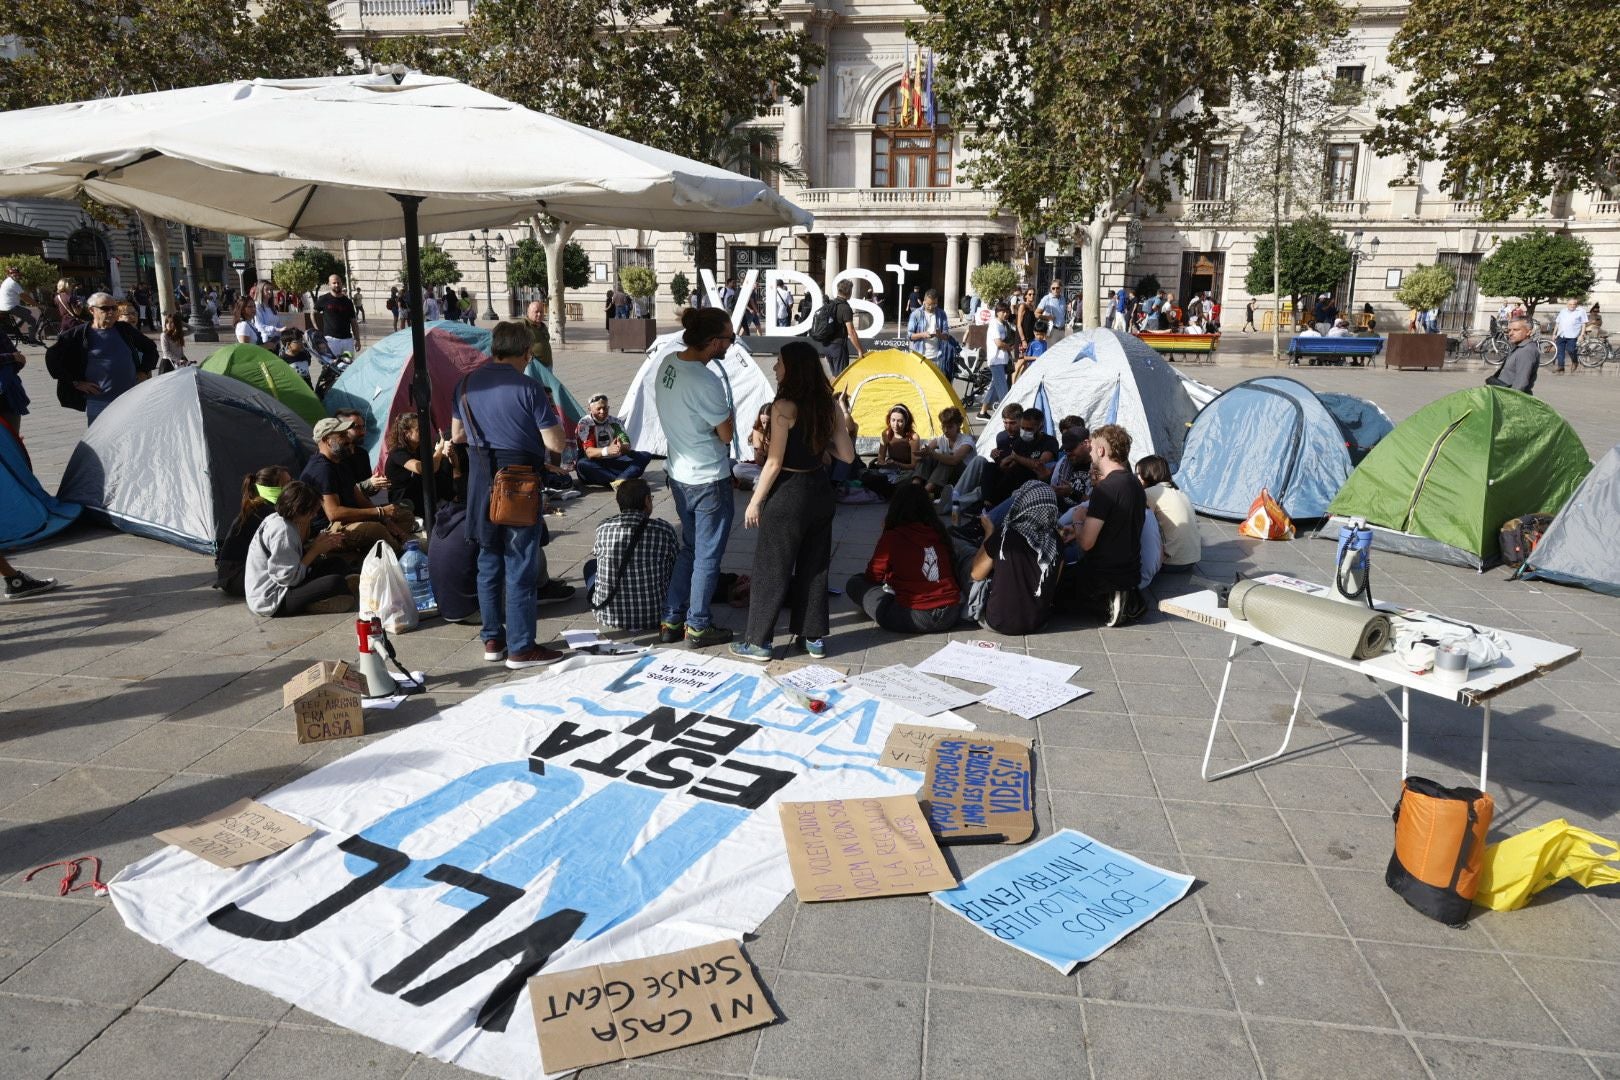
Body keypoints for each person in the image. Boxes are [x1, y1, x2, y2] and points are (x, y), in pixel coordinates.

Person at [451, 321, 576, 666]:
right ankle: (522, 647)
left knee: (488, 562)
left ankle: (493, 640)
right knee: (519, 563)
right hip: (518, 482)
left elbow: (456, 435)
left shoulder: (464, 384)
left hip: (480, 481)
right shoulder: (529, 388)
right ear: (525, 352)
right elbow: (555, 442)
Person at [732, 340, 855, 662]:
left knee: (772, 567)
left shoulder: (783, 407)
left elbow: (773, 462)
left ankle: (758, 642)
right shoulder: (827, 404)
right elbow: (847, 454)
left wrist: (755, 501)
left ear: (793, 368)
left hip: (788, 491)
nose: (775, 368)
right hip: (819, 490)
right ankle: (812, 637)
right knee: (815, 566)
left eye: (779, 363)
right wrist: (819, 440)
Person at [656, 307, 741, 648]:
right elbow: (725, 434)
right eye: (729, 339)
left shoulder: (668, 363)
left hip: (678, 474)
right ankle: (699, 625)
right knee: (707, 555)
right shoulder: (705, 380)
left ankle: (671, 618)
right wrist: (729, 411)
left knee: (689, 549)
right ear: (711, 341)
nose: (731, 346)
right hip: (708, 479)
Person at [846, 481, 961, 634]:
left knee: (856, 583)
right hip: (951, 612)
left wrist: (885, 535)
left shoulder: (893, 536)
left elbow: (873, 576)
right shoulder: (938, 531)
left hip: (916, 614)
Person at [1065, 422, 1146, 626]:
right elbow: (1116, 527)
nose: (1090, 452)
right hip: (1129, 571)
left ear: (1101, 450)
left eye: (1091, 447)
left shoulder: (1105, 489)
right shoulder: (1134, 483)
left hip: (1102, 576)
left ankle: (1110, 603)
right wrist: (1077, 530)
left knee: (1052, 586)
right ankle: (1124, 597)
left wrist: (1078, 518)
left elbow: (1086, 544)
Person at [299, 416, 410, 555]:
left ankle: (382, 553)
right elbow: (333, 513)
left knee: (403, 516)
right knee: (375, 530)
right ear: (327, 440)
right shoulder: (322, 470)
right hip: (327, 530)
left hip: (347, 520)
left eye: (346, 433)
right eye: (341, 435)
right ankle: (401, 557)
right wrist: (379, 512)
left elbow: (358, 496)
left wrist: (384, 517)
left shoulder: (339, 461)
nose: (348, 439)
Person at [244, 481, 355, 617]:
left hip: (286, 583)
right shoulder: (283, 531)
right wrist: (315, 550)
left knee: (337, 563)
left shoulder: (279, 519)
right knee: (335, 582)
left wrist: (318, 544)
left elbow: (294, 562)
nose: (314, 515)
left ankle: (339, 589)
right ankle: (318, 601)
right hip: (273, 599)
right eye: (312, 512)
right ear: (299, 510)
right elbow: (289, 579)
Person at [44, 291, 157, 423]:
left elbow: (151, 349)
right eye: (105, 308)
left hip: (130, 400)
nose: (111, 312)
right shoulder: (78, 335)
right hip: (98, 403)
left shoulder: (124, 330)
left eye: (114, 308)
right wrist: (75, 382)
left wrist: (144, 371)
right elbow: (52, 358)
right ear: (92, 310)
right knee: (100, 443)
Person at [967, 480, 1062, 634]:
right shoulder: (1055, 541)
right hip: (1038, 623)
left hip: (997, 621)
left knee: (970, 560)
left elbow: (976, 574)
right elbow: (1052, 583)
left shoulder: (1005, 534)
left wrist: (989, 533)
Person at [588, 477, 680, 632]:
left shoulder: (603, 527)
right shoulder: (663, 529)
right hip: (655, 615)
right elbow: (675, 565)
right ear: (646, 501)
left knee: (590, 567)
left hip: (606, 614)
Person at [215, 465, 292, 596]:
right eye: (287, 484)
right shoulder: (266, 512)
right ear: (273, 489)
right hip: (237, 577)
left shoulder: (262, 507)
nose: (292, 487)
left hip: (233, 574)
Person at [427, 443, 479, 623]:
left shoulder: (441, 520)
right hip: (474, 610)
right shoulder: (475, 522)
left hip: (445, 609)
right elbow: (540, 539)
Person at [1136, 455, 1199, 574]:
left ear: (1149, 473)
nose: (1137, 478)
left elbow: (1139, 523)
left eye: (1139, 474)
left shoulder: (1149, 493)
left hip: (1172, 562)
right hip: (1192, 559)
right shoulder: (1178, 491)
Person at [574, 393, 654, 487]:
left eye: (605, 408)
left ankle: (620, 480)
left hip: (614, 462)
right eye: (598, 409)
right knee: (582, 464)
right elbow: (589, 453)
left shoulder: (615, 422)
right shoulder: (585, 423)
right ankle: (625, 479)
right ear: (590, 409)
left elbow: (627, 445)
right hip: (595, 464)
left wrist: (621, 447)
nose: (602, 411)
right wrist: (607, 450)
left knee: (645, 455)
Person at [384, 412, 452, 515]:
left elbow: (435, 462)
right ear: (406, 433)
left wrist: (444, 452)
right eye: (418, 429)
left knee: (444, 464)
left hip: (418, 492)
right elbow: (426, 469)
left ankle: (448, 500)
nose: (424, 432)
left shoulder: (419, 447)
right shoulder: (398, 452)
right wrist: (439, 450)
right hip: (403, 498)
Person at [987, 406, 1058, 506]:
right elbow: (1010, 464)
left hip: (1036, 483)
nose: (1024, 432)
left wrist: (1016, 458)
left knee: (1019, 469)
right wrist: (1002, 462)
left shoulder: (1049, 442)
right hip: (1016, 480)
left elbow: (1040, 465)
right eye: (1022, 428)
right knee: (989, 467)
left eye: (1029, 429)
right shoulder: (1020, 441)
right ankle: (987, 503)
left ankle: (993, 505)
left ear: (1040, 427)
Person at [860, 404, 920, 499]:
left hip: (906, 471)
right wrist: (884, 463)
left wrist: (897, 464)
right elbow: (880, 459)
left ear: (906, 422)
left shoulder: (913, 438)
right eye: (893, 420)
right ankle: (890, 490)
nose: (895, 425)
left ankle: (889, 490)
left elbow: (914, 465)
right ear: (889, 420)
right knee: (864, 474)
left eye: (900, 421)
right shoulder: (886, 434)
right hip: (889, 471)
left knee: (912, 477)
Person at [917, 405, 973, 498]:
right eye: (943, 427)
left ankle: (925, 492)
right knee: (927, 456)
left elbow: (954, 460)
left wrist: (932, 452)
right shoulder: (942, 439)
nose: (946, 430)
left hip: (963, 479)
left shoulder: (967, 441)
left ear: (958, 425)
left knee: (948, 459)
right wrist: (922, 452)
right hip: (945, 478)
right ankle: (916, 485)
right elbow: (925, 450)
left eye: (950, 427)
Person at [1488, 317, 1540, 394]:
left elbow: (1521, 383)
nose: (1510, 333)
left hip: (1510, 397)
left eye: (1516, 330)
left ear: (1528, 332)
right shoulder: (1519, 347)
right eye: (1509, 330)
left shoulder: (1526, 351)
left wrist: (1511, 401)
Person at [823, 279, 862, 376]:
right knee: (842, 377)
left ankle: (828, 391)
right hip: (838, 347)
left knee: (835, 376)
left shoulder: (830, 304)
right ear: (849, 292)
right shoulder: (845, 308)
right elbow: (851, 332)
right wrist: (859, 350)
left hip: (827, 346)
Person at [314, 275, 360, 358]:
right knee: (332, 366)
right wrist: (317, 330)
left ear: (341, 284)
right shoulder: (324, 299)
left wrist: (357, 339)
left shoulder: (348, 302)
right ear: (329, 284)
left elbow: (353, 321)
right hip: (331, 340)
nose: (336, 285)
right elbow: (313, 314)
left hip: (347, 341)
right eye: (334, 283)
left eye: (338, 283)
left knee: (348, 367)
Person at [1050, 425, 1093, 511]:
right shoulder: (1064, 462)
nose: (1068, 453)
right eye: (1066, 450)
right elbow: (1053, 486)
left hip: (1083, 516)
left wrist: (1072, 492)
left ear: (1086, 443)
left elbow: (1096, 505)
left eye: (1071, 449)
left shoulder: (1098, 467)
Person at [906, 288, 950, 369]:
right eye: (929, 304)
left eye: (934, 304)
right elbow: (909, 336)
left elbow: (946, 335)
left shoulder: (942, 314)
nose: (931, 307)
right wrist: (922, 334)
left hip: (937, 357)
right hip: (919, 357)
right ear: (924, 301)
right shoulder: (916, 314)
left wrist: (939, 335)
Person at [733, 403, 772, 489]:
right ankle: (763, 483)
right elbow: (759, 463)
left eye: (768, 422)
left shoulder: (780, 431)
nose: (765, 426)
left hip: (776, 468)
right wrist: (760, 453)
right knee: (737, 469)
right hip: (763, 468)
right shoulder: (758, 431)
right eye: (763, 422)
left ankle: (759, 484)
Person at [0, 325, 28, 440]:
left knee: (12, 442)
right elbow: (15, 357)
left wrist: (13, 359)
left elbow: (20, 360)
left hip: (8, 395)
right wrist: (11, 358)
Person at [0, 266, 41, 343]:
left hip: (4, 307)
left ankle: (16, 329)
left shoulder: (6, 281)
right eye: (12, 273)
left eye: (17, 274)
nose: (15, 275)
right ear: (8, 274)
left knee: (28, 312)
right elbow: (24, 296)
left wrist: (30, 302)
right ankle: (32, 340)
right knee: (32, 320)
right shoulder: (13, 283)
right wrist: (36, 304)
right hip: (10, 307)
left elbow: (22, 296)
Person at [1553, 297, 1587, 375]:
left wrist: (1581, 335)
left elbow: (1584, 324)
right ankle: (1561, 366)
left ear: (1576, 305)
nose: (1572, 306)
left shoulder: (1581, 311)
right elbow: (1557, 323)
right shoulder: (1563, 311)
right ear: (1567, 305)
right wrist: (1554, 334)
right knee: (1560, 352)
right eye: (1570, 304)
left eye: (1574, 304)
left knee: (1571, 350)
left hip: (1572, 336)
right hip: (1561, 335)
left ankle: (1575, 361)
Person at [524, 299, 553, 369]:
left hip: (547, 365)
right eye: (536, 312)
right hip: (534, 366)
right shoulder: (524, 325)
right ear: (528, 312)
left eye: (541, 312)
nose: (539, 314)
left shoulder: (542, 326)